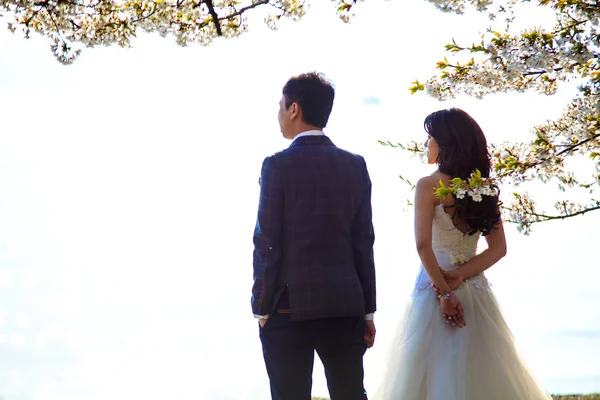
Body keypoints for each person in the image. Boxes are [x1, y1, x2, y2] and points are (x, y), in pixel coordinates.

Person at [374, 108, 552, 400]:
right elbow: (498, 249)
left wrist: (444, 293)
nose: (426, 144)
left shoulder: (428, 185)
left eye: (430, 137)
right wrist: (459, 276)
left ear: (446, 143)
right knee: (484, 369)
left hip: (434, 287)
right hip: (473, 288)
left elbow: (422, 245)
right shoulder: (484, 187)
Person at [251, 72, 377, 400]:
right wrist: (367, 311)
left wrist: (260, 307)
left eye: (281, 105)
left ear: (294, 109)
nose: (278, 113)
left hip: (288, 310)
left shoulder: (276, 165)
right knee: (351, 394)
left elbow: (266, 241)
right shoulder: (356, 164)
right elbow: (363, 242)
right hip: (346, 306)